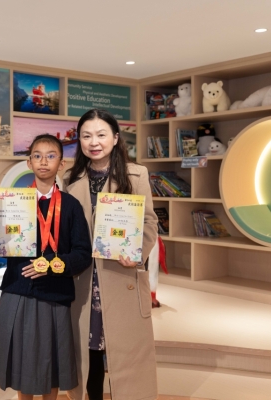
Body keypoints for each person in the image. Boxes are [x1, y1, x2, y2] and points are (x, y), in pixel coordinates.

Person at [63, 109, 158, 400]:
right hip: (84, 278)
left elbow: (149, 222)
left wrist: (137, 252)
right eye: (86, 136)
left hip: (121, 273)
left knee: (126, 354)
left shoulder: (136, 174)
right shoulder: (69, 178)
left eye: (101, 135)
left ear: (115, 138)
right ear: (79, 140)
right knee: (88, 352)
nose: (94, 142)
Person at [0, 134, 92, 400]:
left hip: (54, 293)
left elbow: (83, 254)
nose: (43, 161)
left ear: (61, 164)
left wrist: (53, 266)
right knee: (21, 364)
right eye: (37, 156)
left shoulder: (71, 206)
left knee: (52, 366)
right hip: (17, 289)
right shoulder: (10, 202)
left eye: (51, 156)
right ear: (29, 162)